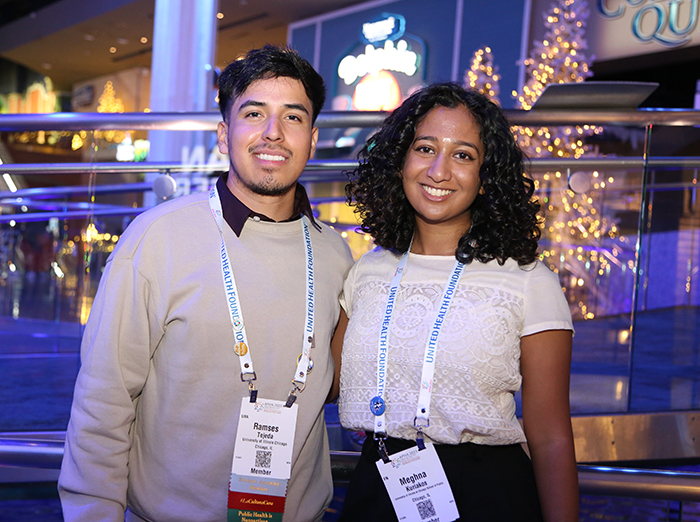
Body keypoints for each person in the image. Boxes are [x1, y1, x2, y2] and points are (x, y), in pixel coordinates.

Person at [59, 45, 354, 522]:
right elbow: (103, 401)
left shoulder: (335, 253)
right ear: (223, 134)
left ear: (313, 138)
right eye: (253, 113)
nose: (273, 133)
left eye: (293, 118)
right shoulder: (157, 238)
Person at [334, 83, 578, 522]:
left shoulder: (528, 281)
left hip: (488, 493)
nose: (440, 170)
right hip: (379, 485)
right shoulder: (367, 271)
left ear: (487, 177)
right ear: (400, 161)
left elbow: (551, 437)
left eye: (463, 155)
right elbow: (327, 384)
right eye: (425, 148)